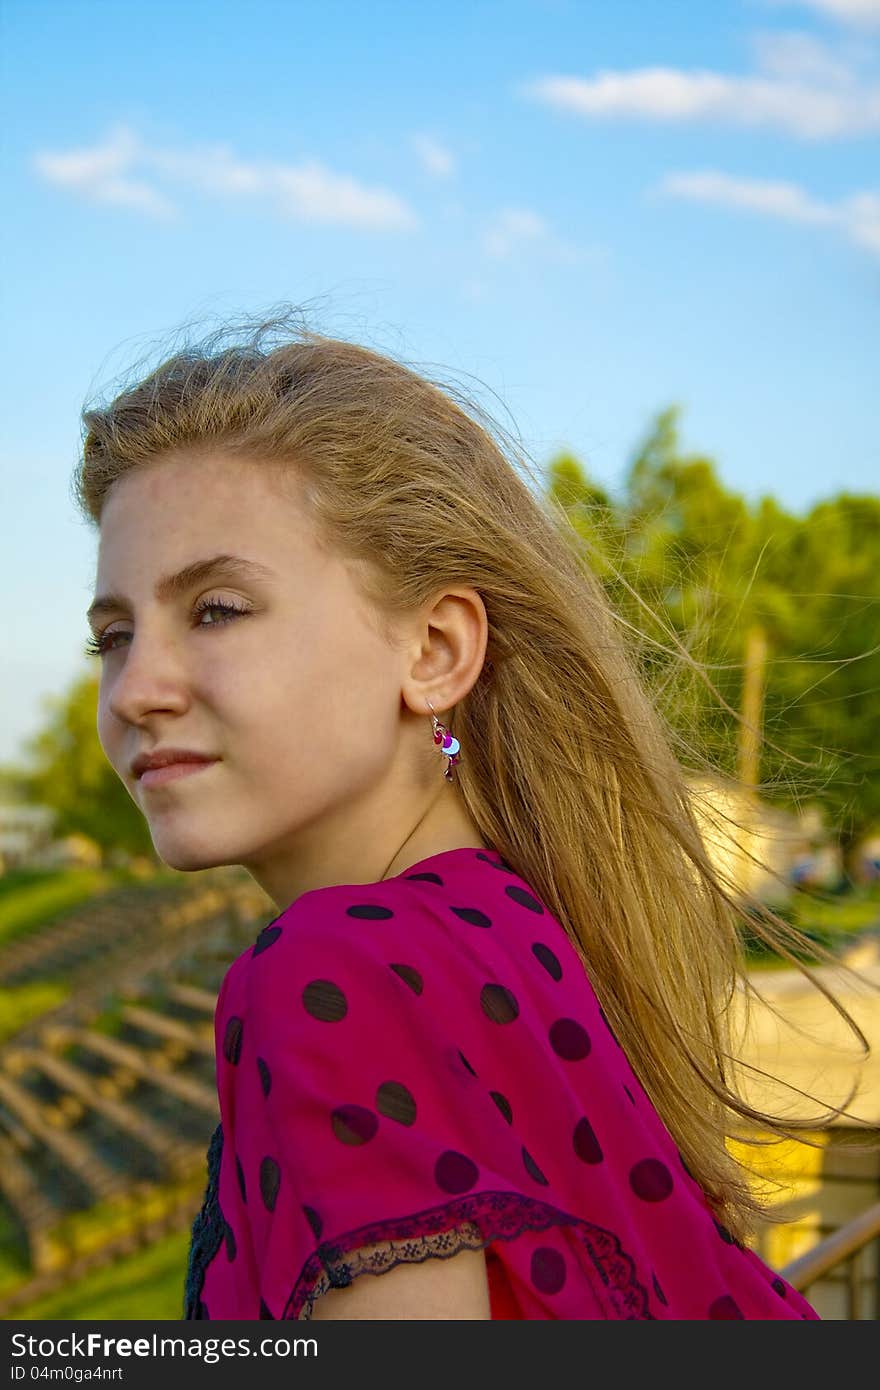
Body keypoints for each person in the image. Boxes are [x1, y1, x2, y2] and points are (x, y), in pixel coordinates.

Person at [73, 308, 863, 1320]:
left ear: (435, 650)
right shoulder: (516, 924)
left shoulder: (329, 973)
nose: (138, 688)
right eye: (113, 635)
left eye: (216, 609)